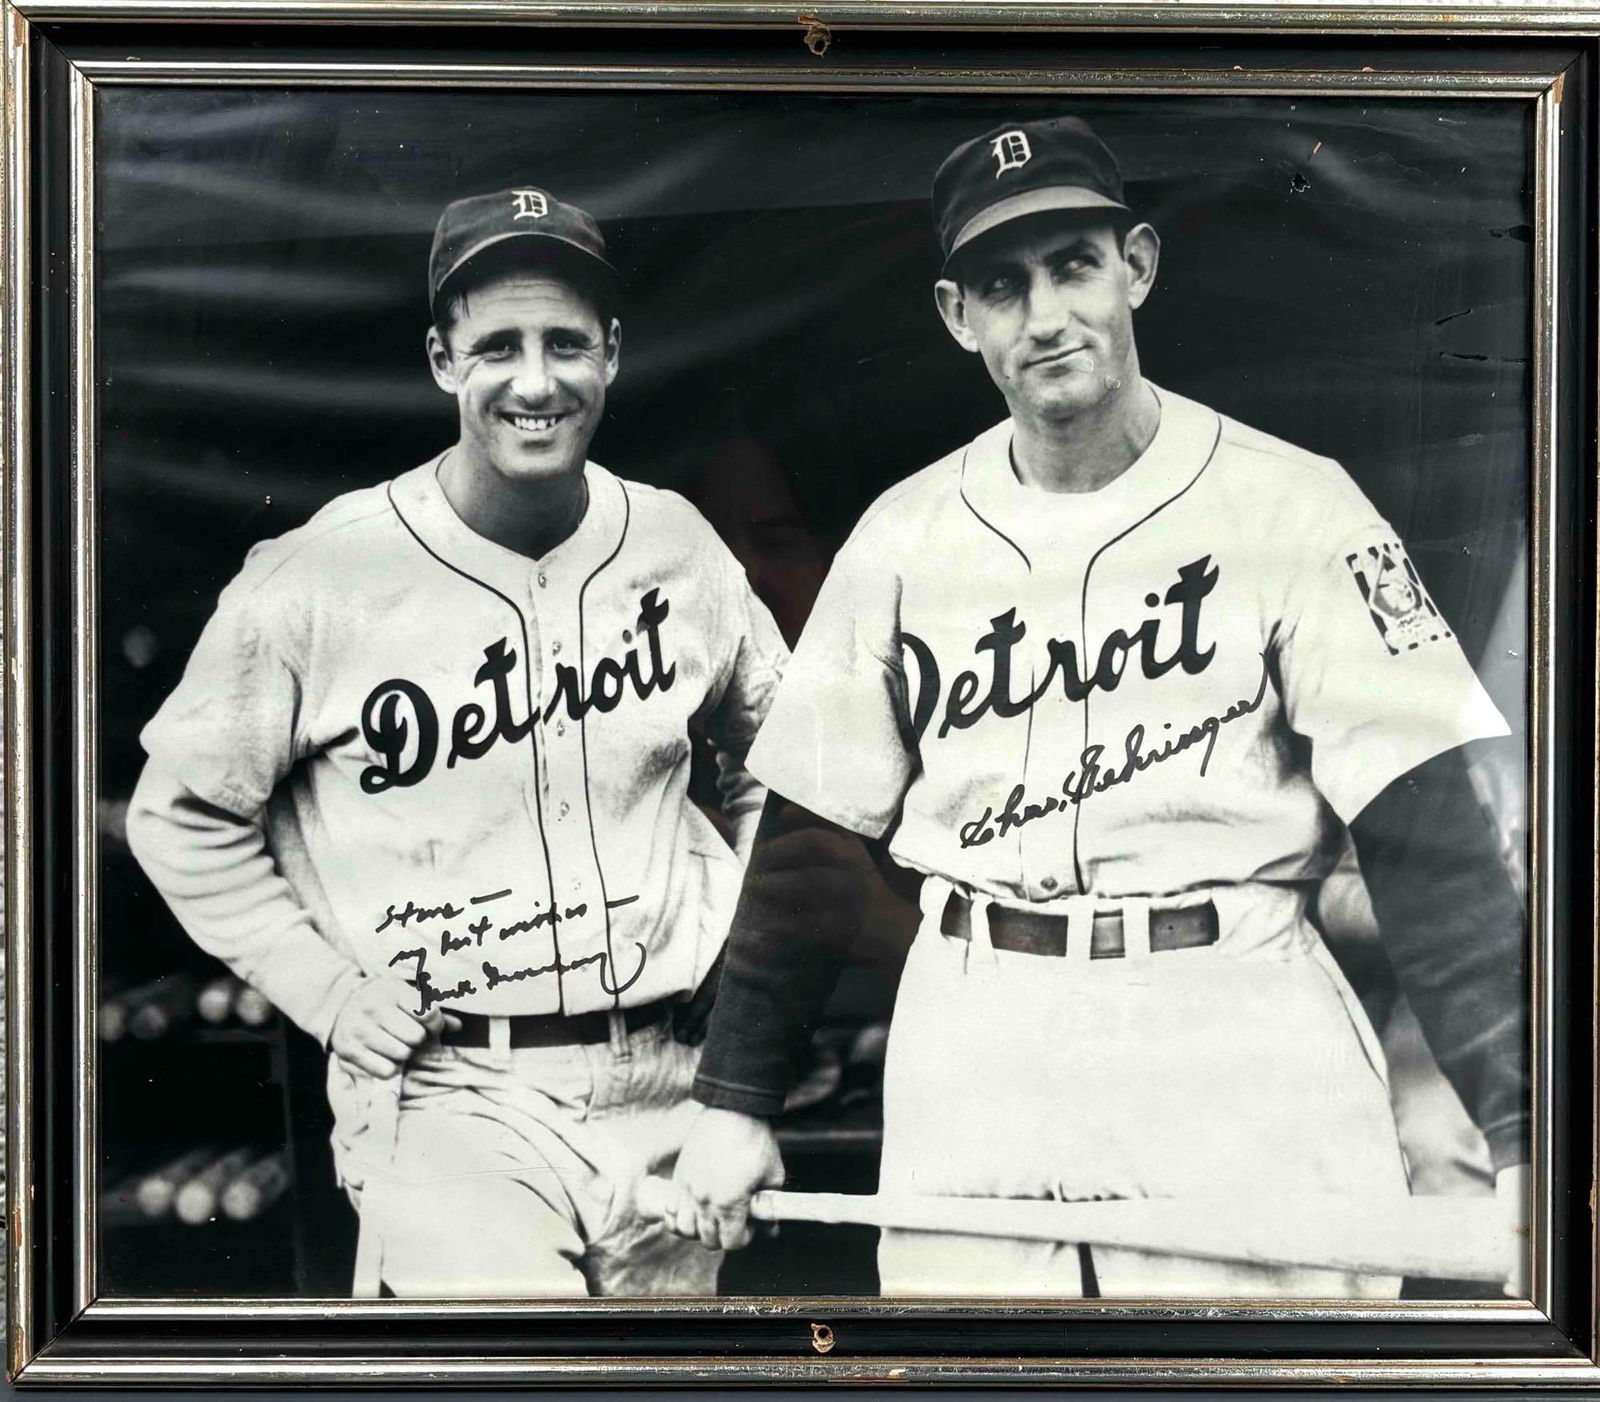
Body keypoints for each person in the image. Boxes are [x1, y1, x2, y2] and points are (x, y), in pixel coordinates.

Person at [661, 117, 1529, 1299]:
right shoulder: (905, 534)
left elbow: (1427, 835)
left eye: (1073, 264)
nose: (1045, 315)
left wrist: (1525, 1139)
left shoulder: (1294, 507)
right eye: (1002, 285)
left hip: (1228, 1011)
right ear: (958, 317)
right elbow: (811, 825)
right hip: (982, 1027)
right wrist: (733, 1097)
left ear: (1138, 266)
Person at [126, 186, 788, 1298]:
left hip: (667, 1085)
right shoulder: (319, 574)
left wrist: (740, 948)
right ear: (442, 359)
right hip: (449, 1094)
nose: (536, 380)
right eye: (498, 346)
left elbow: (786, 765)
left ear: (613, 354)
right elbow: (180, 813)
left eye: (566, 342)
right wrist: (328, 991)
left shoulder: (676, 545)